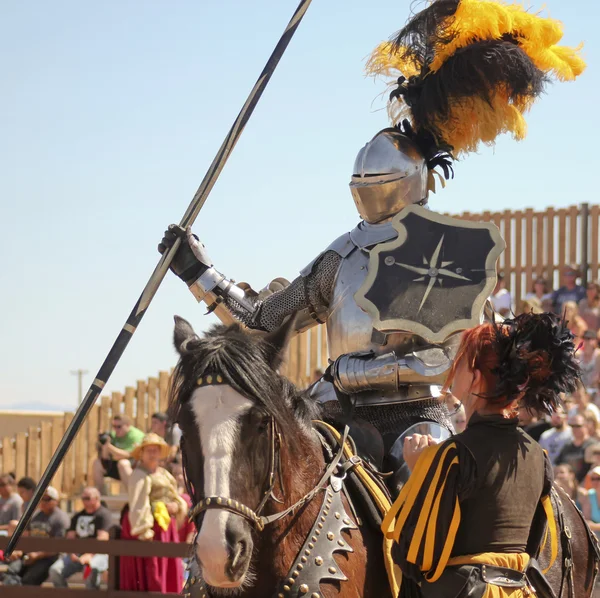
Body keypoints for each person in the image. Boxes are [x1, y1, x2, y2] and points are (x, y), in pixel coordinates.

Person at [383, 311, 581, 597]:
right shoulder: (540, 456)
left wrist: (420, 471)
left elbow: (413, 559)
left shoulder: (453, 454)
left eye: (460, 362)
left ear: (475, 378)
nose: (453, 370)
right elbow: (534, 548)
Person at [119, 433, 188, 592]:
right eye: (148, 450)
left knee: (167, 567)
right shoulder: (139, 474)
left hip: (164, 526)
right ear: (141, 454)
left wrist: (176, 506)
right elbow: (138, 502)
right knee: (152, 568)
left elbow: (174, 496)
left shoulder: (164, 473)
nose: (152, 453)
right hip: (149, 527)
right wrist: (144, 530)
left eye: (155, 450)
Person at [2, 486, 70, 586]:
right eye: (41, 498)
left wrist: (37, 555)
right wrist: (19, 551)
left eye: (47, 499)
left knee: (29, 579)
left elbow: (58, 546)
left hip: (49, 558)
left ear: (56, 501)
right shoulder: (35, 515)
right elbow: (25, 536)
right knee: (10, 572)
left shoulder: (60, 518)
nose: (43, 501)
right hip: (29, 555)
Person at [48, 487, 112, 589]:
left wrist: (89, 555)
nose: (84, 501)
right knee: (55, 570)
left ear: (96, 498)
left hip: (98, 554)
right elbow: (70, 537)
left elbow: (103, 538)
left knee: (91, 569)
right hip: (78, 553)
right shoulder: (77, 516)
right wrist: (72, 553)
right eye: (83, 498)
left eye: (87, 498)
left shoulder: (104, 515)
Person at [92, 414, 145, 492]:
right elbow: (105, 458)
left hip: (134, 468)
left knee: (123, 463)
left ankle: (133, 495)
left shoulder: (136, 435)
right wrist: (104, 446)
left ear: (127, 425)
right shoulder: (113, 435)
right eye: (114, 426)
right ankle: (101, 496)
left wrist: (109, 447)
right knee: (97, 463)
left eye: (119, 427)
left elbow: (129, 455)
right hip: (118, 467)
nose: (116, 429)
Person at [556, 413, 599, 482]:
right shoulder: (567, 446)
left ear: (586, 426)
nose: (574, 429)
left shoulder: (593, 446)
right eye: (572, 426)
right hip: (568, 486)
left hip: (587, 487)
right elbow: (558, 464)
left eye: (578, 426)